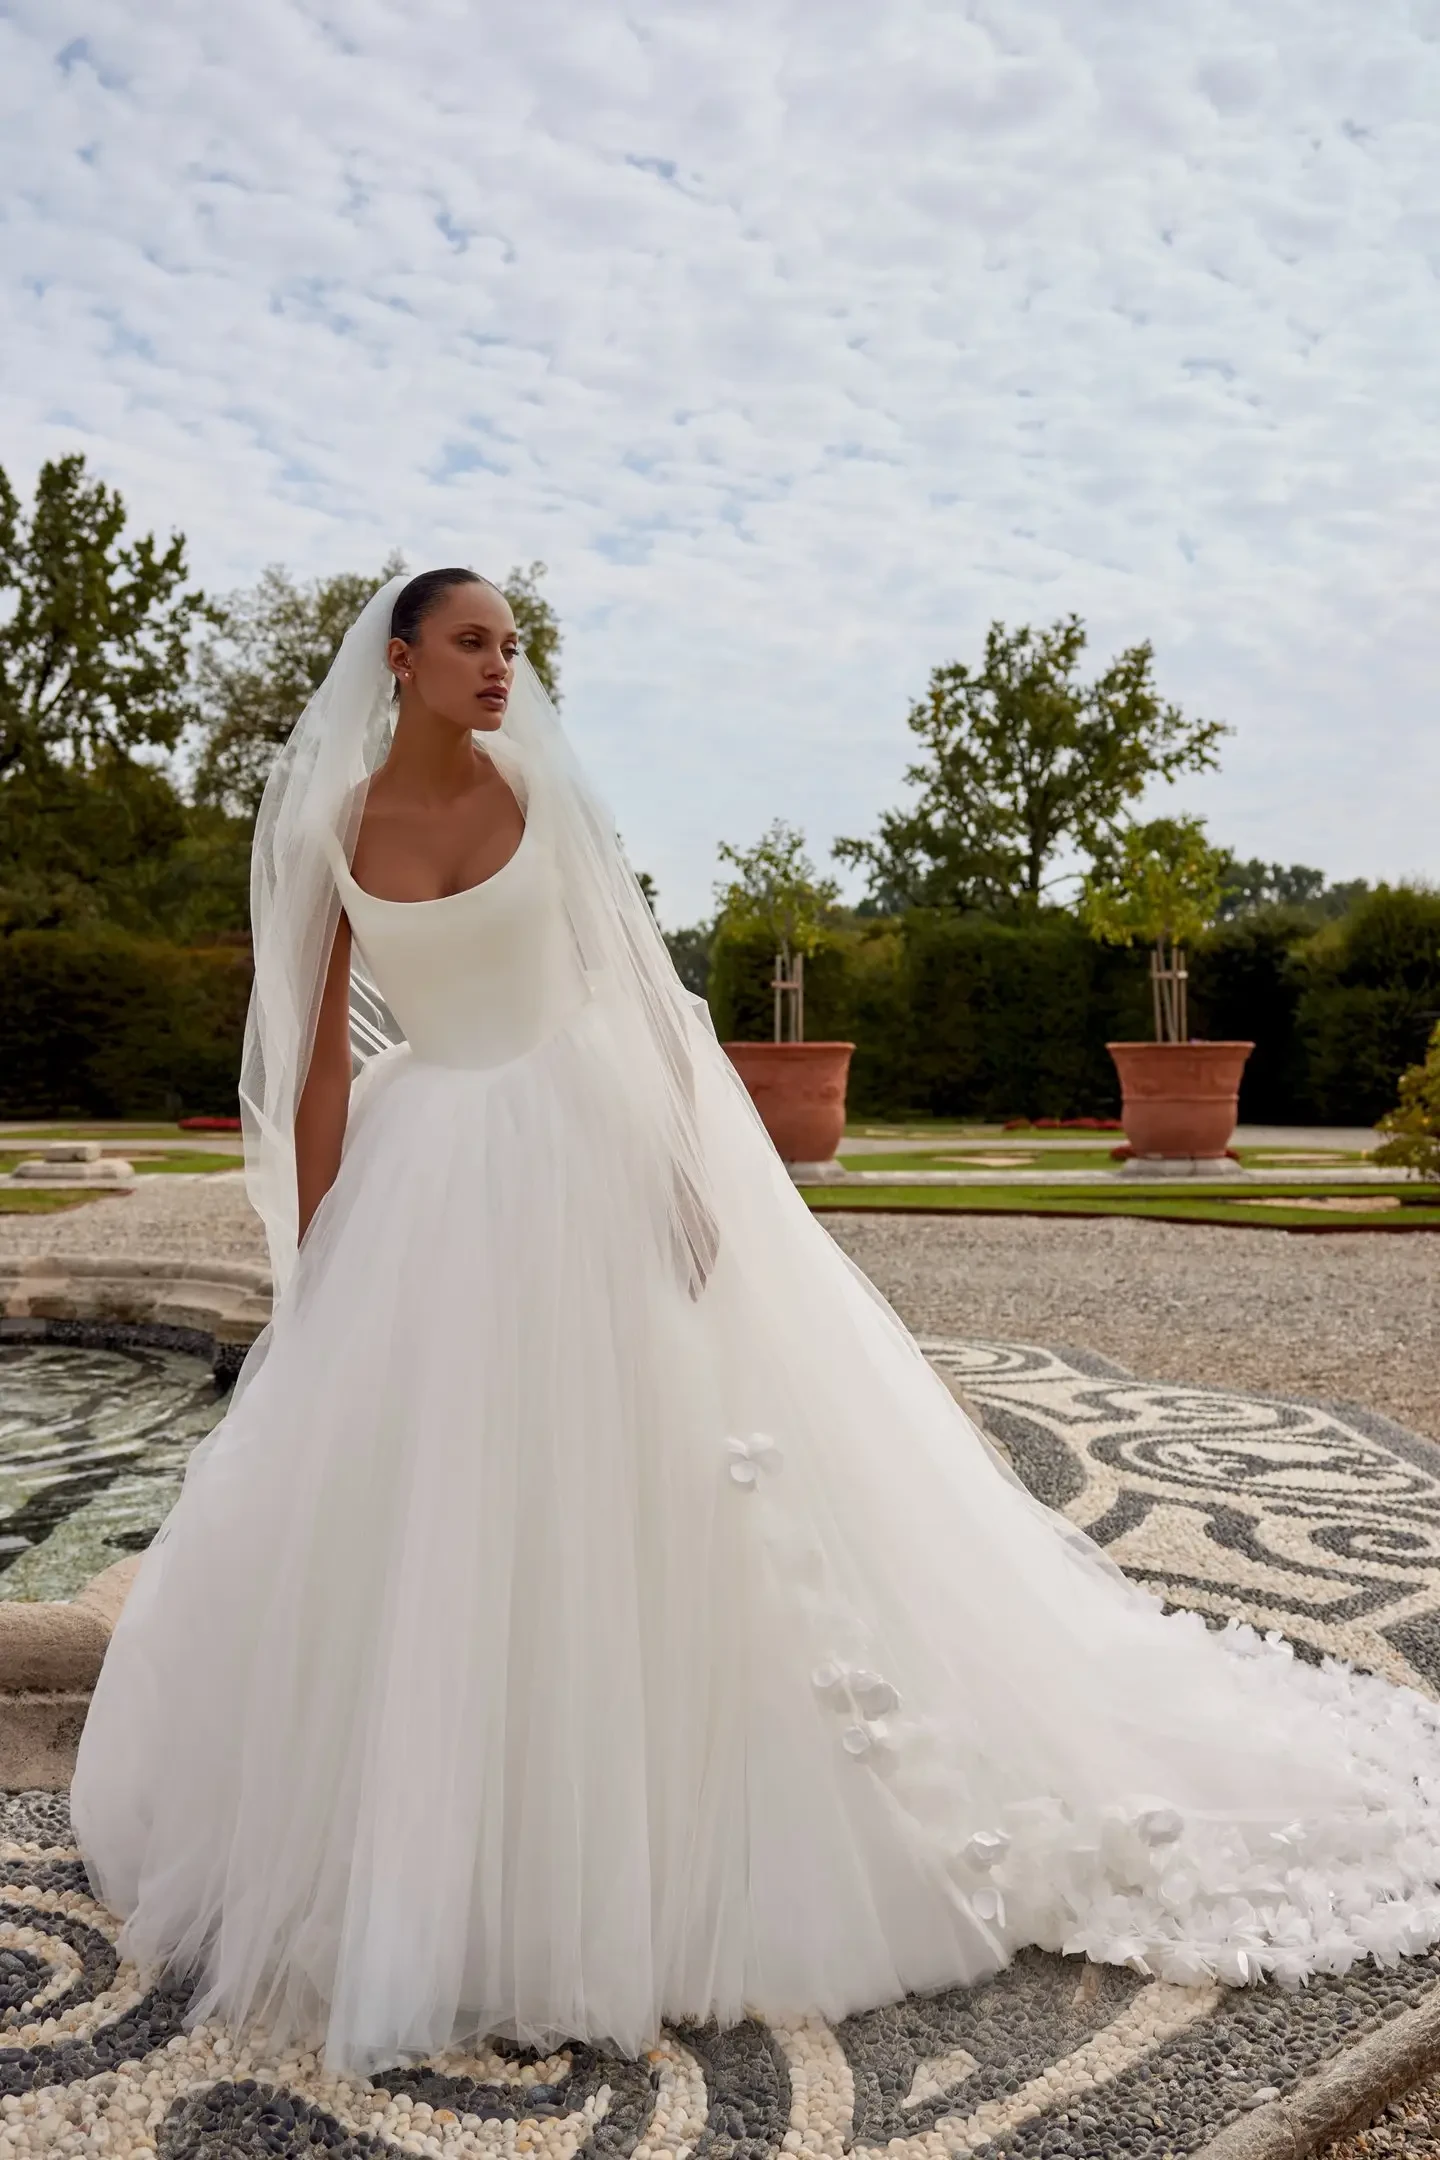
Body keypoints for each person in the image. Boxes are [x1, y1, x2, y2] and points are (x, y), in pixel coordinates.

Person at [71, 569, 1440, 2080]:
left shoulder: (539, 788)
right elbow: (319, 1065)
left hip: (579, 1149)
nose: (501, 668)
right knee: (441, 1500)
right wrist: (321, 1259)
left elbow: (642, 1000)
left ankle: (707, 1826)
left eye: (512, 646)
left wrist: (678, 1166)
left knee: (667, 1472)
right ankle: (445, 1847)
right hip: (424, 1180)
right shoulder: (332, 832)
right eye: (472, 643)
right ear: (399, 661)